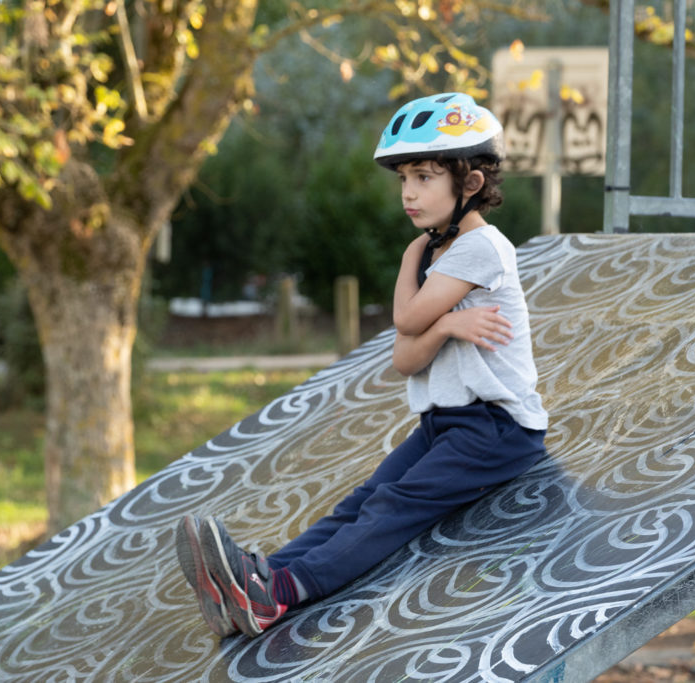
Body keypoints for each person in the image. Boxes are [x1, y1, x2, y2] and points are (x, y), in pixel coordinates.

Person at [175, 92, 549, 639]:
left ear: (469, 184)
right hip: (447, 423)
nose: (409, 193)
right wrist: (443, 324)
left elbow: (404, 318)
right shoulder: (436, 252)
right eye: (404, 180)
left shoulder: (482, 247)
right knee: (361, 502)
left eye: (423, 177)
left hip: (496, 429)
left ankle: (276, 594)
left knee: (391, 508)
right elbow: (405, 357)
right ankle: (260, 579)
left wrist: (411, 265)